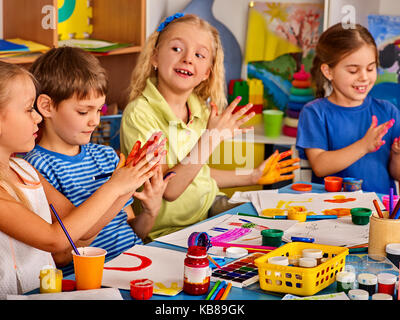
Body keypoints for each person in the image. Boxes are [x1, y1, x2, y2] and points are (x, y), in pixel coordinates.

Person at [120, 13, 299, 240]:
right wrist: (211, 137)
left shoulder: (200, 110)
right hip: (166, 233)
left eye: (199, 55)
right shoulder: (139, 114)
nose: (187, 59)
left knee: (280, 225)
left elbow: (196, 175)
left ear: (207, 72)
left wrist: (253, 176)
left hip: (207, 212)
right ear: (154, 57)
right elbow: (169, 189)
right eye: (176, 49)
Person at [0, 61, 165, 298]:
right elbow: (56, 240)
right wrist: (114, 186)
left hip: (44, 293)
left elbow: (82, 234)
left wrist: (126, 188)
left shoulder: (25, 169)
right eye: (28, 109)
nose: (37, 117)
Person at [296, 23, 400, 194]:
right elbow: (320, 166)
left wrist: (397, 154)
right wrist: (364, 145)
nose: (364, 77)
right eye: (353, 71)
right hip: (331, 211)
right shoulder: (315, 113)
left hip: (380, 213)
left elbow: (397, 174)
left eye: (370, 68)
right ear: (328, 72)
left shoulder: (388, 112)